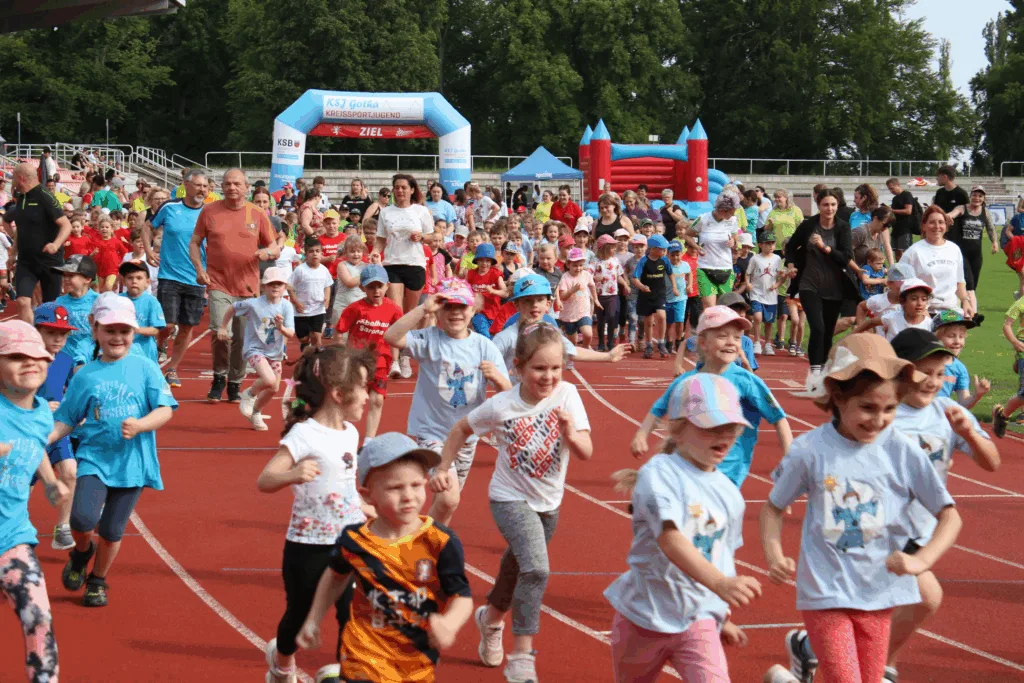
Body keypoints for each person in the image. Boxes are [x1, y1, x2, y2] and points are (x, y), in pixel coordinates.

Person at [760, 333, 961, 683]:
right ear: (837, 397)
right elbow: (773, 508)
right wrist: (774, 554)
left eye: (890, 409)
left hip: (880, 595)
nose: (879, 420)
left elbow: (950, 515)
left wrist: (921, 560)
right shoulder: (810, 450)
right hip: (826, 594)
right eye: (868, 407)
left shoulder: (902, 450)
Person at [436, 323, 592, 682]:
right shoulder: (502, 405)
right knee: (536, 568)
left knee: (516, 568)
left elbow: (585, 451)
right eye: (539, 368)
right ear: (518, 367)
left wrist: (570, 433)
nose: (548, 376)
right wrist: (443, 465)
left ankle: (490, 620)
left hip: (548, 501)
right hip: (508, 498)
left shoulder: (568, 395)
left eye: (555, 368)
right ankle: (523, 657)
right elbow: (461, 428)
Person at [605, 374, 761, 683]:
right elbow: (670, 540)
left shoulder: (729, 493)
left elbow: (722, 557)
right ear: (678, 428)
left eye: (731, 428)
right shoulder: (659, 474)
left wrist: (722, 614)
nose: (725, 436)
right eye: (711, 428)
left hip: (697, 619)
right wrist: (720, 585)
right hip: (644, 617)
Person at [296, 433, 474, 683]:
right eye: (395, 488)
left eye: (416, 485)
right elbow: (335, 576)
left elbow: (462, 596)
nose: (409, 496)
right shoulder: (355, 541)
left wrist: (450, 624)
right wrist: (314, 618)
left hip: (416, 660)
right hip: (364, 651)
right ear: (368, 496)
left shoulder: (440, 541)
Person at [256, 345, 376, 683]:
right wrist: (292, 475)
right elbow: (265, 480)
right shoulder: (304, 434)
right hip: (309, 544)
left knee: (351, 612)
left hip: (351, 539)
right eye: (363, 388)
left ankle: (344, 672)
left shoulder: (351, 433)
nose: (368, 396)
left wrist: (362, 506)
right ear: (338, 394)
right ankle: (281, 665)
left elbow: (344, 480)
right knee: (299, 614)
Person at [51, 294, 178, 608]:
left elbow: (166, 410)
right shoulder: (86, 375)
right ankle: (82, 553)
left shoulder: (146, 368)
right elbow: (67, 418)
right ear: (95, 330)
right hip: (94, 457)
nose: (117, 337)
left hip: (132, 463)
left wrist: (141, 425)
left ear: (133, 332)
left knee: (111, 530)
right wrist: (40, 438)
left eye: (124, 330)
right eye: (110, 330)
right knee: (81, 520)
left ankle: (98, 580)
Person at [384, 279, 511, 525]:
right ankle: (421, 544)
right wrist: (423, 309)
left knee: (446, 503)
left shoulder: (485, 347)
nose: (455, 313)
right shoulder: (429, 339)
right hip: (432, 433)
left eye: (462, 307)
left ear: (473, 309)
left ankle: (430, 547)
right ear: (439, 310)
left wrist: (496, 378)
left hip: (466, 437)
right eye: (448, 306)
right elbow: (392, 336)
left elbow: (509, 392)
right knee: (449, 498)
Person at [633, 306, 791, 488]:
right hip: (690, 466)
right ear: (703, 342)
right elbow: (659, 408)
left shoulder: (746, 381)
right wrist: (641, 435)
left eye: (737, 337)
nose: (731, 342)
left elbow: (778, 418)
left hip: (728, 473)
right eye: (722, 336)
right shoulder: (687, 381)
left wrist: (789, 459)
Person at [0, 320, 70, 683]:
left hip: (12, 537)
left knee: (39, 620)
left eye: (38, 357)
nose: (30, 363)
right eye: (15, 356)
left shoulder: (43, 411)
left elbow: (37, 443)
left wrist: (50, 481)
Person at [190, 169, 280, 404]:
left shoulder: (257, 213)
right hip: (218, 283)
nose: (232, 188)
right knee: (222, 333)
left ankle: (235, 382)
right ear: (221, 186)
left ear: (247, 187)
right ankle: (219, 376)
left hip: (248, 288)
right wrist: (199, 270)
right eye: (227, 183)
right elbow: (195, 242)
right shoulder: (209, 211)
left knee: (242, 338)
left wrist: (266, 252)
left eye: (237, 184)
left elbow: (275, 246)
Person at [786, 189, 854, 390]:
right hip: (810, 284)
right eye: (826, 204)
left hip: (835, 286)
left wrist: (825, 248)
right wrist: (791, 265)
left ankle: (822, 370)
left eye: (833, 204)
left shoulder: (843, 227)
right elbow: (790, 247)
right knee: (818, 327)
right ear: (819, 205)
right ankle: (815, 374)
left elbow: (846, 257)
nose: (830, 209)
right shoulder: (809, 225)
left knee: (826, 332)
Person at [145, 170, 208, 388]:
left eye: (205, 186)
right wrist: (148, 250)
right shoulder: (170, 207)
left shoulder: (209, 213)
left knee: (187, 327)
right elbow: (147, 226)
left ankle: (172, 369)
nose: (202, 190)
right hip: (169, 276)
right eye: (198, 185)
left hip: (196, 278)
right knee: (168, 324)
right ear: (186, 185)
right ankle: (161, 343)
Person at [333, 265, 403, 443]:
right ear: (362, 288)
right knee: (351, 398)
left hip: (380, 361)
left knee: (377, 399)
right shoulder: (355, 308)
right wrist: (339, 353)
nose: (376, 291)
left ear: (387, 286)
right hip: (356, 361)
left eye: (379, 286)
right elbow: (340, 330)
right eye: (371, 287)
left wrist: (397, 359)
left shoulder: (393, 310)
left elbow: (400, 333)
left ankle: (369, 440)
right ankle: (341, 432)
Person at [220, 267, 296, 431]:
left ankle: (256, 413)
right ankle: (248, 395)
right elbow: (232, 308)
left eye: (279, 284)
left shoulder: (287, 306)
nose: (275, 287)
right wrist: (223, 327)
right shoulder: (253, 304)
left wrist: (281, 327)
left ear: (284, 287)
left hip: (275, 353)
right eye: (271, 284)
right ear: (263, 286)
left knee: (274, 388)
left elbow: (290, 333)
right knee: (268, 380)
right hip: (254, 349)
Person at [373, 174, 432, 378]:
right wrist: (374, 251)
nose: (400, 191)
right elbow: (380, 239)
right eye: (396, 187)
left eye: (404, 187)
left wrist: (422, 237)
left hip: (416, 265)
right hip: (393, 264)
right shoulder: (386, 212)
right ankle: (395, 361)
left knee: (410, 315)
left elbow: (435, 237)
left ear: (412, 190)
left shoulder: (421, 211)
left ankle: (406, 355)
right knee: (396, 312)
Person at [32, 302, 79, 551]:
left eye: (63, 334)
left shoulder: (66, 360)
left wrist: (78, 410)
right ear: (37, 330)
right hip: (27, 433)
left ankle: (63, 527)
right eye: (52, 333)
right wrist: (41, 404)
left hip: (55, 432)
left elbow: (72, 393)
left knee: (70, 472)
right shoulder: (23, 360)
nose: (58, 339)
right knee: (19, 486)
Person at [3, 163, 73, 323]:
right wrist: (14, 250)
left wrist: (55, 245)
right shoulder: (21, 198)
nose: (11, 182)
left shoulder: (45, 196)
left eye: (13, 178)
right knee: (22, 301)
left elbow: (66, 224)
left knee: (50, 305)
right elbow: (19, 226)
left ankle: (50, 342)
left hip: (49, 261)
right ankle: (30, 339)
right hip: (27, 262)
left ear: (21, 178)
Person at [898, 205, 972, 317]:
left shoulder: (954, 249)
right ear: (923, 226)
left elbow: (959, 281)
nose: (937, 226)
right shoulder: (914, 252)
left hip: (950, 312)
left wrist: (966, 301)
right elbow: (899, 284)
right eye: (932, 222)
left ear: (946, 226)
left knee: (955, 335)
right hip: (924, 313)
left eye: (941, 222)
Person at [948, 185, 997, 319]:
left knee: (972, 285)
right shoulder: (962, 208)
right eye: (975, 195)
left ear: (983, 198)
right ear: (970, 196)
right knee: (968, 284)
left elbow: (991, 228)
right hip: (961, 253)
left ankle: (961, 310)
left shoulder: (984, 212)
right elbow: (953, 213)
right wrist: (948, 217)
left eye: (980, 196)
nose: (977, 198)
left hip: (976, 254)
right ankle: (973, 315)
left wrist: (995, 243)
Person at [685, 192, 742, 308]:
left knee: (725, 308)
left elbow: (736, 240)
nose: (733, 214)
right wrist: (696, 247)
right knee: (710, 309)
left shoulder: (733, 220)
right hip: (705, 268)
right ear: (722, 210)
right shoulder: (703, 219)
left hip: (725, 268)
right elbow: (687, 234)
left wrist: (733, 242)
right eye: (731, 212)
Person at [932, 310, 989, 407]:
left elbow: (963, 403)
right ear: (935, 338)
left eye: (961, 336)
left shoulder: (959, 368)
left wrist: (977, 396)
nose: (957, 341)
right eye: (951, 336)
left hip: (940, 417)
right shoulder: (923, 362)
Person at [287, 237, 334, 350]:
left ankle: (315, 361)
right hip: (301, 311)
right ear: (306, 254)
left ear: (321, 254)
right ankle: (305, 344)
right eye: (311, 251)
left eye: (317, 251)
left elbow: (327, 285)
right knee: (303, 338)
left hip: (318, 309)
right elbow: (289, 286)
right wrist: (295, 302)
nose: (314, 254)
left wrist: (327, 297)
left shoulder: (324, 270)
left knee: (316, 337)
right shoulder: (300, 270)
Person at [53, 255, 100, 366]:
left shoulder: (98, 301)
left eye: (71, 275)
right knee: (53, 383)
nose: (65, 279)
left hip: (91, 357)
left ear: (87, 279)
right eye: (64, 275)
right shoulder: (59, 302)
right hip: (63, 356)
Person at [633, 234, 672, 359]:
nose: (665, 251)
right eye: (663, 249)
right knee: (648, 321)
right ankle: (649, 345)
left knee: (662, 315)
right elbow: (634, 278)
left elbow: (670, 273)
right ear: (653, 249)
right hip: (646, 295)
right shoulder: (644, 261)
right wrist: (642, 287)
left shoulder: (665, 260)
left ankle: (661, 343)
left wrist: (675, 287)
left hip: (659, 294)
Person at [119, 261, 165, 363]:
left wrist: (134, 330)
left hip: (145, 351)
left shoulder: (152, 302)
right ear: (123, 281)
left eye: (139, 278)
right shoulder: (117, 300)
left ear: (147, 282)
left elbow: (156, 329)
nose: (134, 281)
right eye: (130, 278)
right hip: (121, 350)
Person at [747, 233, 784, 355]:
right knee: (757, 317)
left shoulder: (777, 259)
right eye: (768, 243)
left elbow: (781, 277)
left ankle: (768, 344)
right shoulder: (755, 259)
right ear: (760, 245)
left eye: (772, 243)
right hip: (756, 293)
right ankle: (757, 342)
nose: (771, 246)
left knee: (769, 322)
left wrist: (777, 284)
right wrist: (748, 283)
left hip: (771, 296)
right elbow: (748, 273)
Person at [886, 178, 918, 261]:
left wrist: (892, 210)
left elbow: (908, 211)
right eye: (889, 189)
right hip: (896, 228)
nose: (891, 191)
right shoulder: (895, 199)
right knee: (897, 254)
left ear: (898, 185)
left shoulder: (906, 195)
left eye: (892, 188)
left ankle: (907, 271)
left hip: (905, 229)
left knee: (905, 254)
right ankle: (899, 272)